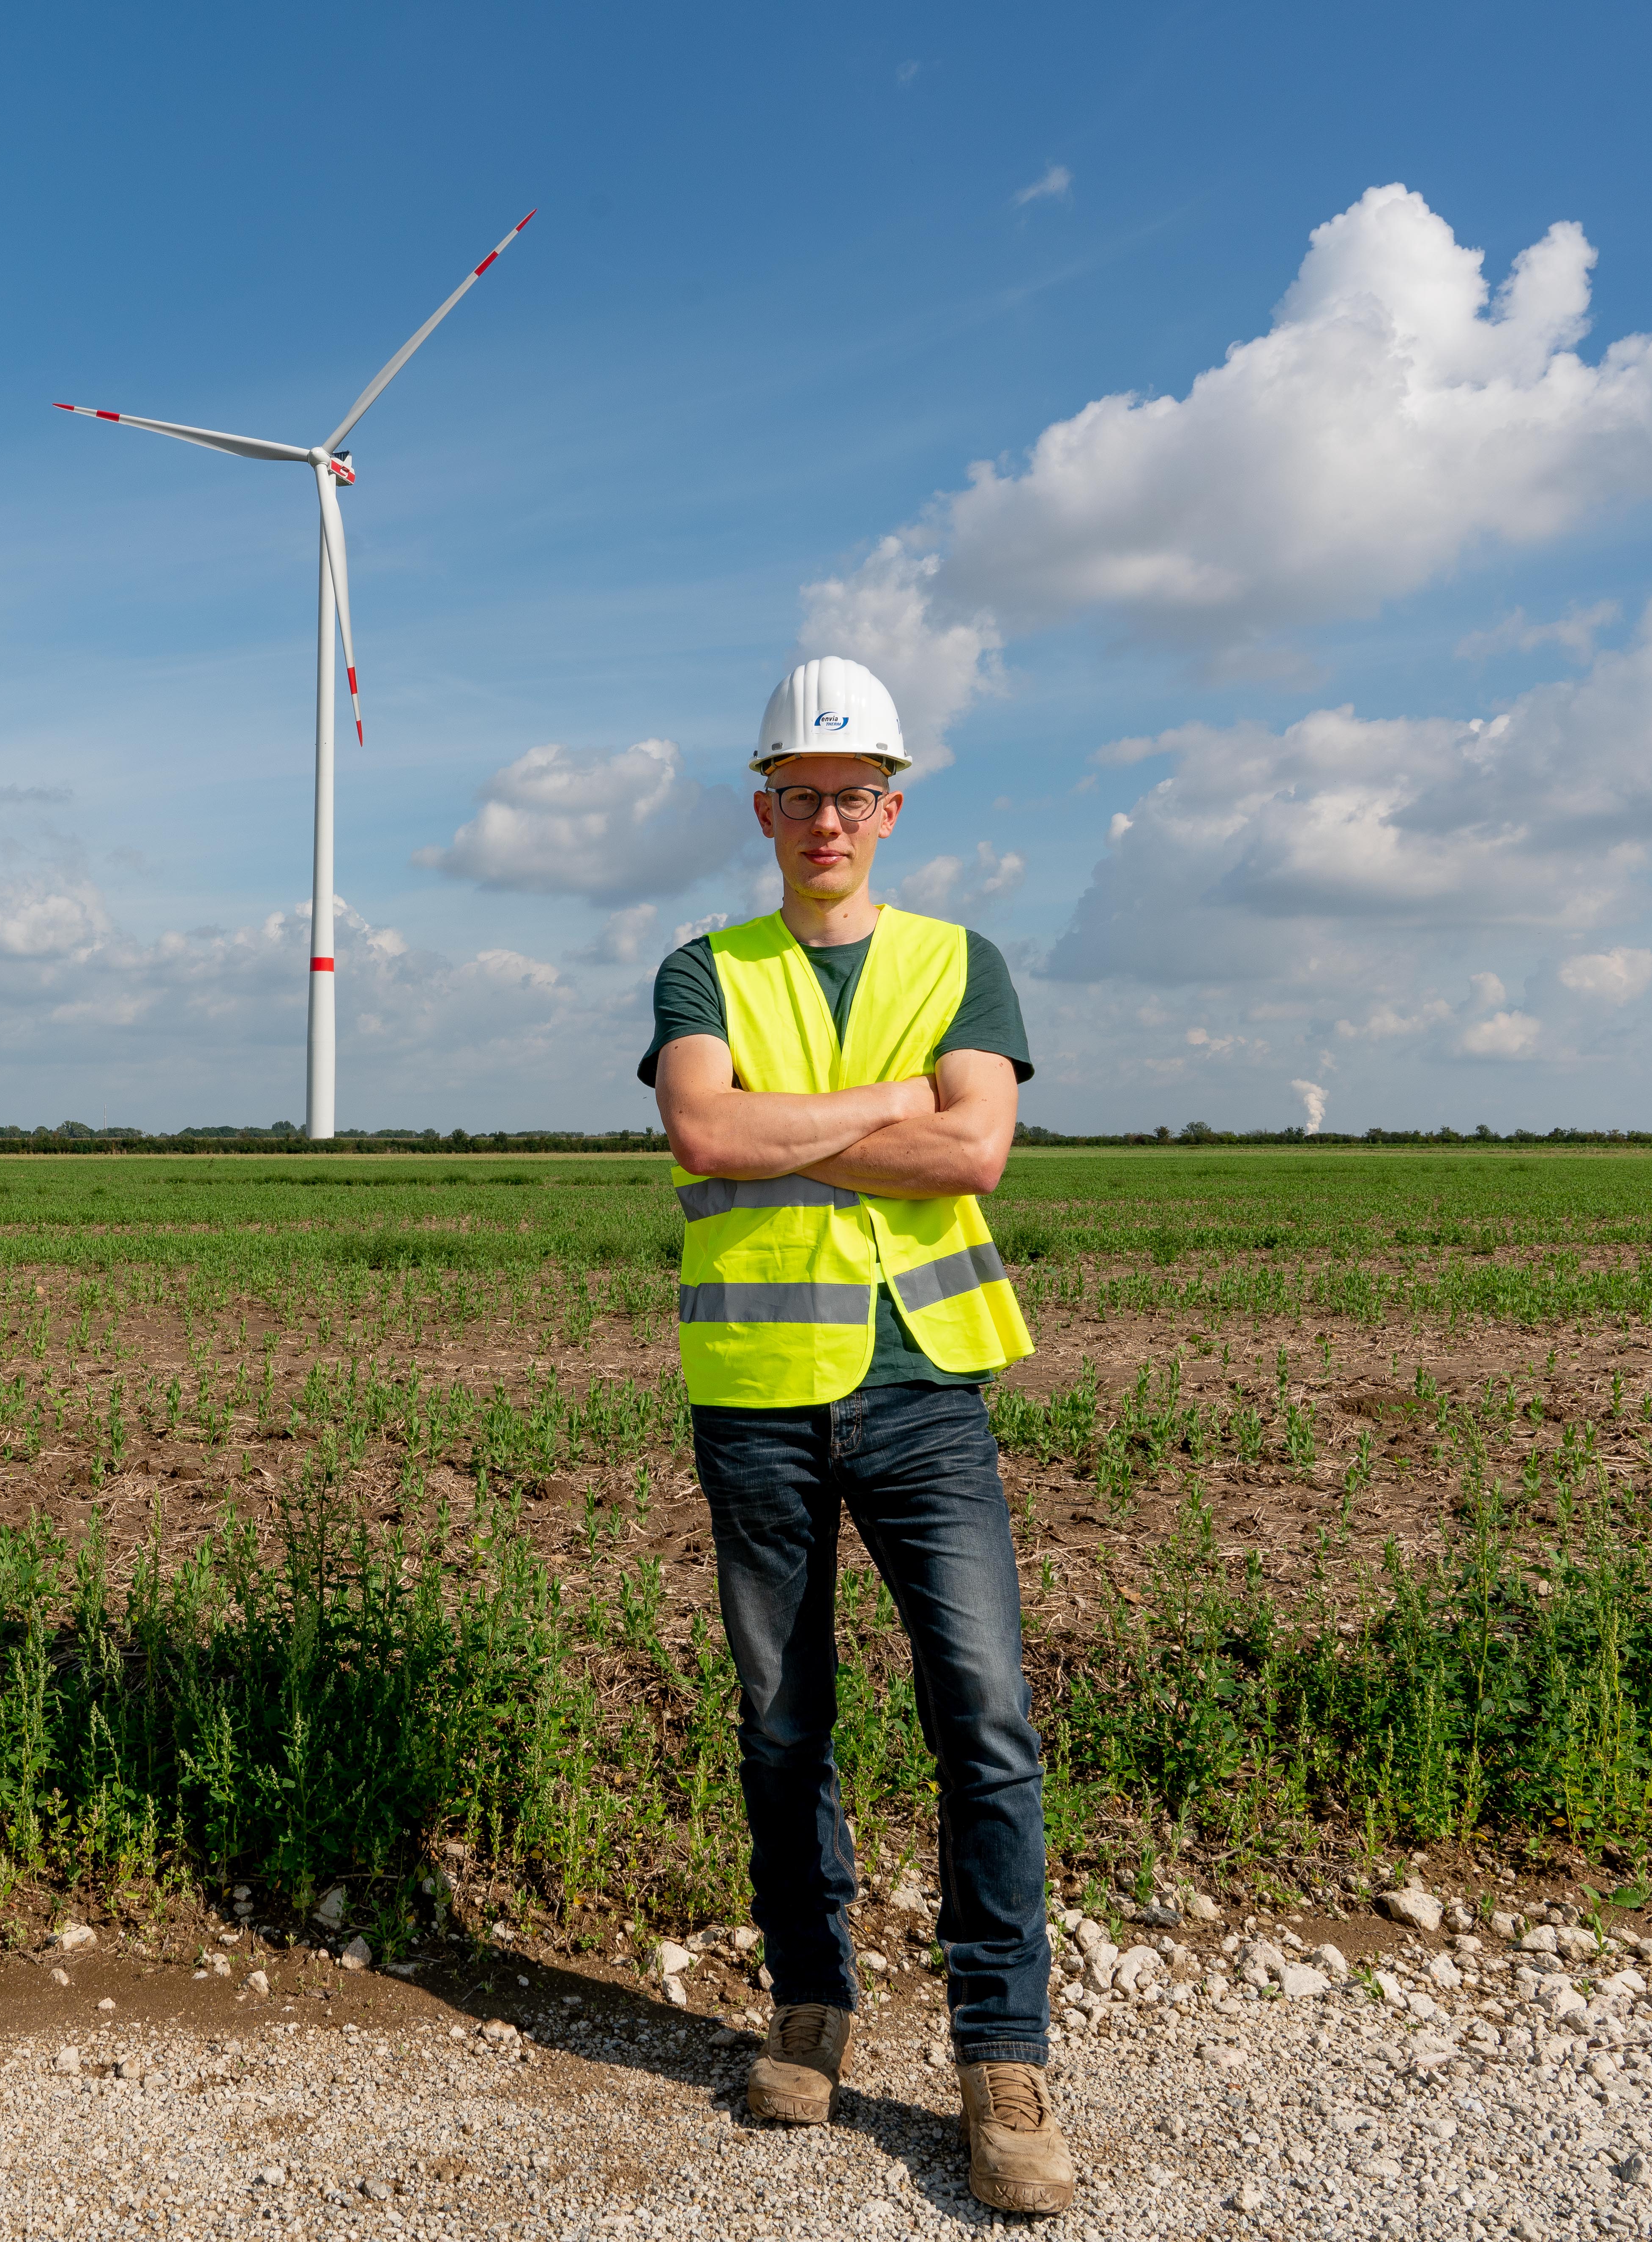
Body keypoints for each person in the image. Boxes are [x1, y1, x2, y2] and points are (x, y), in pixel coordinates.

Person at [639, 655, 1072, 2216]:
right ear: (763, 809)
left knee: (986, 1718)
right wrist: (887, 1100)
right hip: (757, 1402)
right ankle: (809, 2012)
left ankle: (1000, 2061)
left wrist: (806, 1121)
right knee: (782, 1725)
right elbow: (706, 1131)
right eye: (801, 796)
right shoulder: (704, 970)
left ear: (892, 809)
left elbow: (975, 1152)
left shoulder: (967, 959)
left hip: (923, 1392)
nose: (828, 819)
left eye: (854, 796)